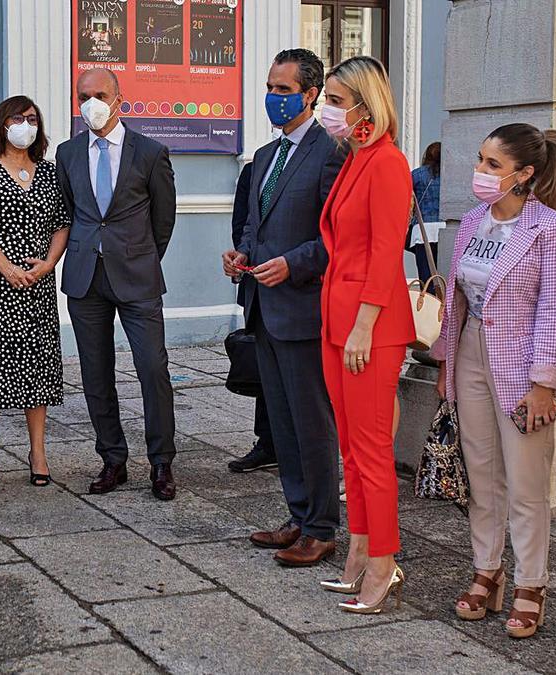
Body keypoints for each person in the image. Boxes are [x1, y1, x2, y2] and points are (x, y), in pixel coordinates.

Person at [430, 124, 556, 639]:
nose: (482, 172)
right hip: (470, 355)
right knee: (481, 473)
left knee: (526, 481)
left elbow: (555, 313)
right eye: (481, 160)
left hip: (522, 368)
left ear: (524, 174)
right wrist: (446, 362)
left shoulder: (549, 229)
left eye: (494, 165)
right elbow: (458, 300)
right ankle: (487, 571)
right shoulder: (471, 222)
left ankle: (531, 584)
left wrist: (544, 383)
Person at [222, 48, 345, 567]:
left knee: (311, 422)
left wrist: (293, 265)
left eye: (283, 89)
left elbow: (335, 235)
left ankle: (322, 527)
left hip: (303, 307)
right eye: (270, 88)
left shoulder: (331, 152)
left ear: (310, 94)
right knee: (283, 422)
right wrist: (242, 254)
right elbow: (255, 223)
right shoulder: (267, 158)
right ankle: (298, 516)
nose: (273, 97)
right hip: (263, 306)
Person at [315, 55, 414, 614]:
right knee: (351, 448)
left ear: (363, 105)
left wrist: (363, 326)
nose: (326, 110)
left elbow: (384, 253)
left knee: (372, 451)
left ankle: (383, 564)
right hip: (340, 320)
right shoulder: (356, 158)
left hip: (368, 327)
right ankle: (359, 551)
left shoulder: (388, 163)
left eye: (334, 100)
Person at [55, 67, 179, 501]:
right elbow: (70, 214)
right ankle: (112, 459)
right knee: (95, 373)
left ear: (119, 99)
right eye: (84, 95)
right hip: (85, 278)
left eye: (101, 94)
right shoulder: (67, 154)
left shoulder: (149, 151)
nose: (93, 103)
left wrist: (140, 258)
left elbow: (163, 220)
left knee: (152, 368)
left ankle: (161, 463)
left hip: (137, 278)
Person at [0, 95, 70, 489]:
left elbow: (62, 223)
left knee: (36, 366)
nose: (26, 124)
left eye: (33, 118)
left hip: (37, 284)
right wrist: (6, 267)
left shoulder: (50, 172)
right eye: (18, 117)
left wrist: (48, 263)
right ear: (2, 123)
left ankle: (37, 451)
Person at [224, 159, 278, 475]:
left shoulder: (326, 156)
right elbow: (243, 225)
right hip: (259, 285)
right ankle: (268, 443)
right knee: (265, 371)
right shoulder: (260, 163)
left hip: (304, 288)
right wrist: (241, 257)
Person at [408, 141, 441, 285]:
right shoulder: (450, 175)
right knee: (443, 273)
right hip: (444, 227)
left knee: (425, 274)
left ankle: (428, 303)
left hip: (422, 230)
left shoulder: (417, 174)